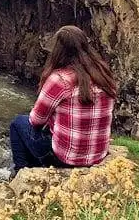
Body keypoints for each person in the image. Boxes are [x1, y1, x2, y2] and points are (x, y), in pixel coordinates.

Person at [9, 25, 117, 172]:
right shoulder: (103, 74)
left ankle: (22, 172)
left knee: (18, 123)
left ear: (59, 50)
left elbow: (36, 120)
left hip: (66, 159)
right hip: (97, 156)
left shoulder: (59, 79)